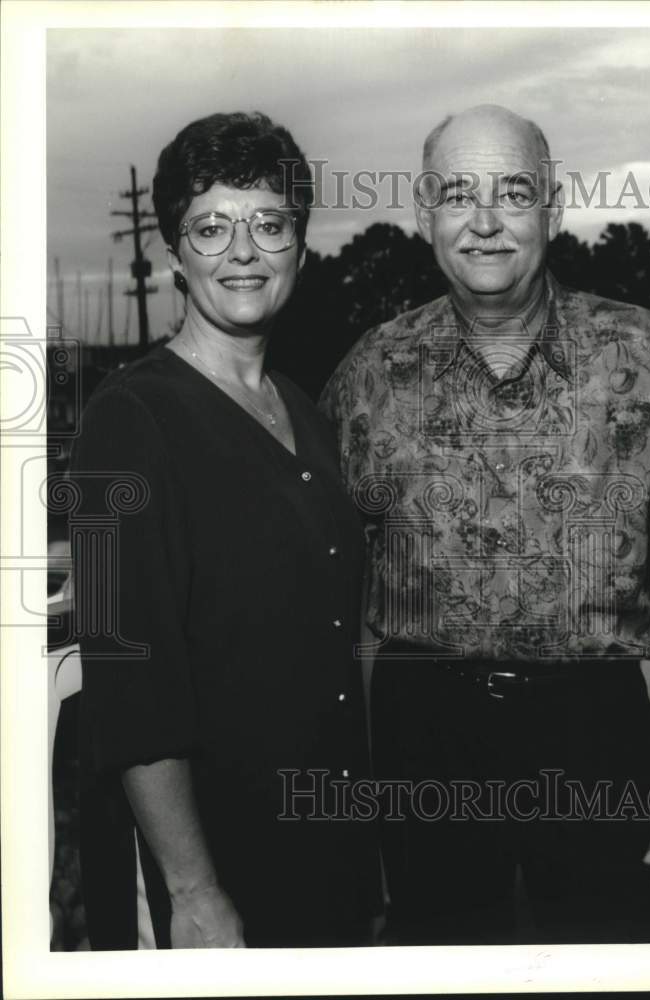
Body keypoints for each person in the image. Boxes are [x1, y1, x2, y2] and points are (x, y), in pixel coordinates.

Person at [319, 105, 650, 944]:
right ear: (425, 211)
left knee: (612, 958)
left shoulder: (643, 358)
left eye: (511, 192)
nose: (483, 222)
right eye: (456, 194)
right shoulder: (369, 373)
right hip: (421, 732)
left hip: (594, 729)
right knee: (436, 962)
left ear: (552, 205)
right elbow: (328, 590)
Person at [72, 111, 380, 949]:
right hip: (218, 871)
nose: (242, 253)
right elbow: (121, 674)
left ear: (301, 249)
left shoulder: (309, 416)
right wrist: (194, 890)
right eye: (211, 228)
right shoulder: (124, 420)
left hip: (328, 854)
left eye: (269, 225)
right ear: (175, 249)